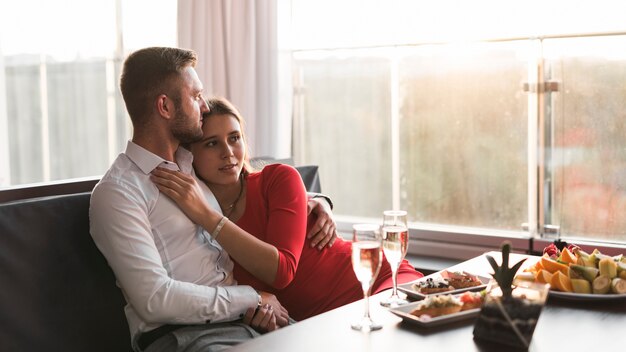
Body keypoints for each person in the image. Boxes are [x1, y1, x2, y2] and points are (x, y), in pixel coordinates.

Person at [89, 47, 336, 352]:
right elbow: (154, 299)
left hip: (245, 322)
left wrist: (315, 200)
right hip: (182, 335)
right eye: (196, 96)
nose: (204, 107)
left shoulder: (192, 166)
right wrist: (251, 297)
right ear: (165, 106)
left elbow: (245, 183)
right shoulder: (119, 193)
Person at [151, 97, 424, 321]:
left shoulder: (277, 179)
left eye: (235, 138)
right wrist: (256, 312)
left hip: (375, 284)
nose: (228, 152)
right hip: (315, 325)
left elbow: (282, 272)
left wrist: (208, 217)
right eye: (212, 143)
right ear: (189, 155)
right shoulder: (187, 219)